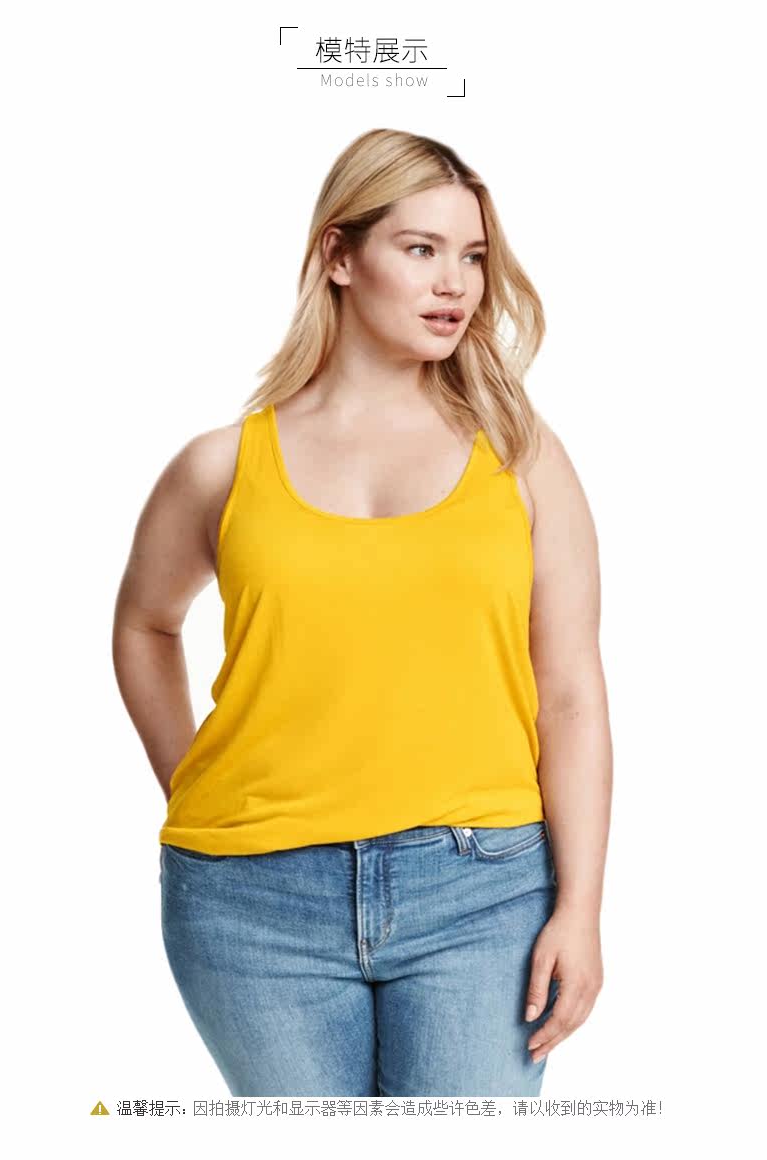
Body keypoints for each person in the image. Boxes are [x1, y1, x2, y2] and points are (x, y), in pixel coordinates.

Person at [112, 128, 611, 1097]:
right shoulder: (222, 465)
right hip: (249, 901)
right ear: (338, 255)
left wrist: (581, 907)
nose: (455, 284)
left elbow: (571, 692)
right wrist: (195, 785)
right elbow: (144, 624)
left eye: (473, 256)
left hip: (482, 892)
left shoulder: (520, 456)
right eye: (421, 249)